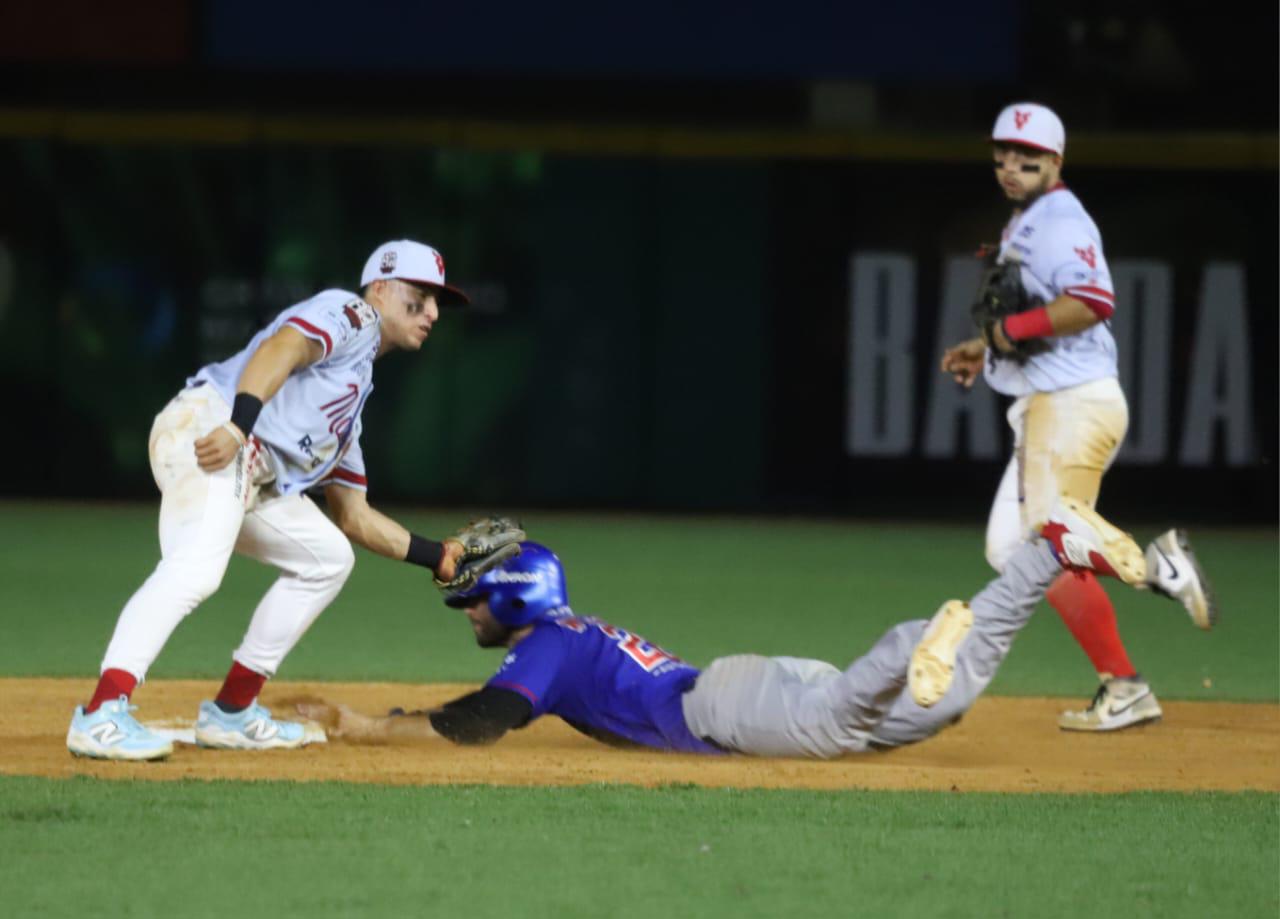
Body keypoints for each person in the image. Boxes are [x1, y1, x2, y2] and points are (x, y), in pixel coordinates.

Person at [297, 499, 1185, 759]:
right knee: (937, 706)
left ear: (520, 599)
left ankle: (920, 636)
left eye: (479, 597)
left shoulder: (548, 646)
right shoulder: (569, 633)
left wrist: (364, 725)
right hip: (744, 691)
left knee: (849, 715)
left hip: (726, 707)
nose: (472, 610)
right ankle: (1047, 552)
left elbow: (482, 722)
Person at [68, 240, 478, 761]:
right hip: (211, 427)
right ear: (379, 288)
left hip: (249, 469)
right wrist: (239, 426)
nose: (433, 313)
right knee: (195, 570)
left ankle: (233, 712)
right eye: (419, 298)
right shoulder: (353, 314)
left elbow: (354, 515)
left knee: (327, 559)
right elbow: (280, 348)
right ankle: (102, 714)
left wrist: (435, 556)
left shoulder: (349, 403)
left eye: (438, 303)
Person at [939, 102, 1216, 732]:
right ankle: (1124, 686)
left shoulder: (1061, 220)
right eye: (1002, 157)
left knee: (1050, 538)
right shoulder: (1028, 220)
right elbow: (1037, 316)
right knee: (1011, 547)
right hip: (1056, 402)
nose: (1011, 168)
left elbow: (1093, 301)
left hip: (1071, 404)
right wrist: (986, 346)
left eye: (1026, 158)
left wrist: (1008, 329)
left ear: (1055, 162)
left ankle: (1159, 572)